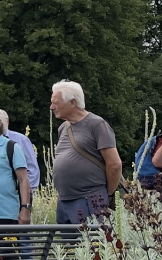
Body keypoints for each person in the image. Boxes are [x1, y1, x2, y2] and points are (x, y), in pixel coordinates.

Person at [49, 80, 122, 225]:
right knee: (69, 247)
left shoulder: (97, 124)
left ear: (72, 102)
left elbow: (114, 164)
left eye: (56, 103)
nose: (52, 107)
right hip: (64, 201)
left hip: (90, 200)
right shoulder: (63, 127)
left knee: (91, 245)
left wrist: (105, 195)